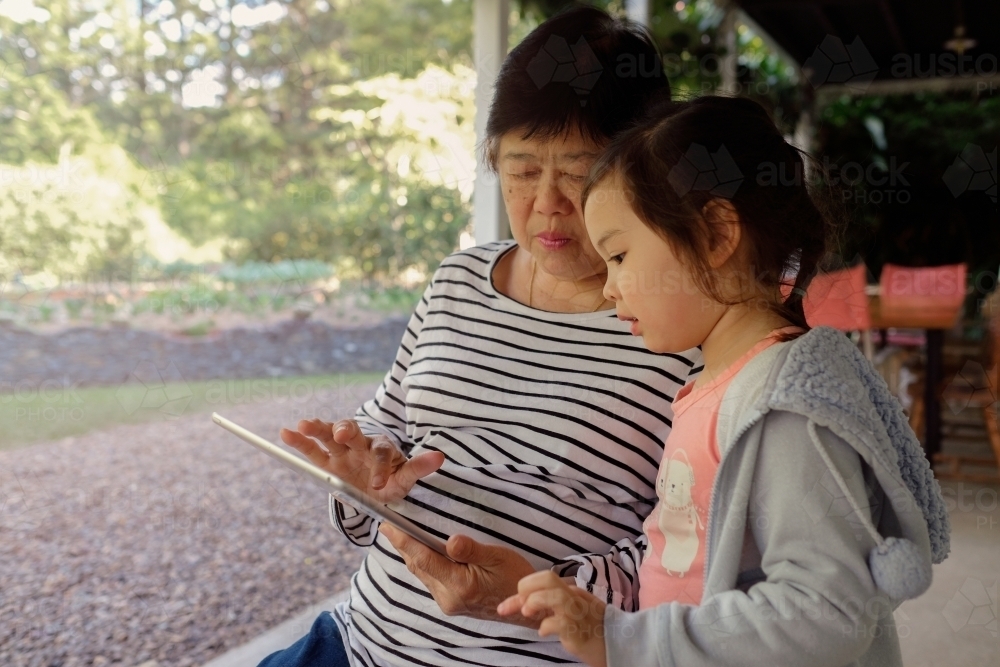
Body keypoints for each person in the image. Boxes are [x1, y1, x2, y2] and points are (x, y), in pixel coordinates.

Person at [259, 7, 702, 667]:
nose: (547, 202)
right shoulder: (459, 280)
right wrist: (361, 476)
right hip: (358, 641)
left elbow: (690, 558)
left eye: (577, 174)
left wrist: (536, 591)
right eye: (523, 170)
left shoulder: (682, 329)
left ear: (643, 172)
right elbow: (384, 438)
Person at [497, 95, 951, 667]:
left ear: (715, 236)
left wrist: (627, 640)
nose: (608, 288)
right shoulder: (717, 382)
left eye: (617, 255)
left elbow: (825, 613)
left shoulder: (783, 409)